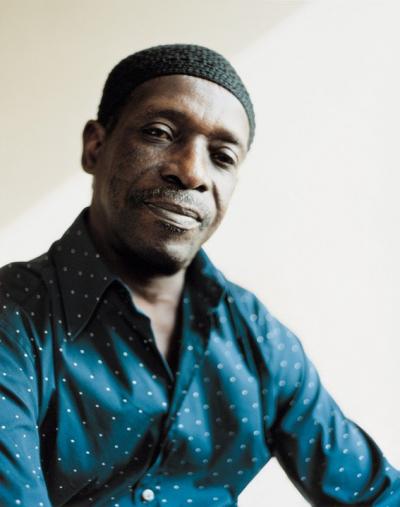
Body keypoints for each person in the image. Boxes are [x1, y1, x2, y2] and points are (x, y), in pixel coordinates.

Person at [0, 44, 398, 507]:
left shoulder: (257, 338)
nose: (191, 172)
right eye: (159, 133)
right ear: (96, 146)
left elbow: (376, 495)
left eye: (222, 157)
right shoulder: (14, 316)